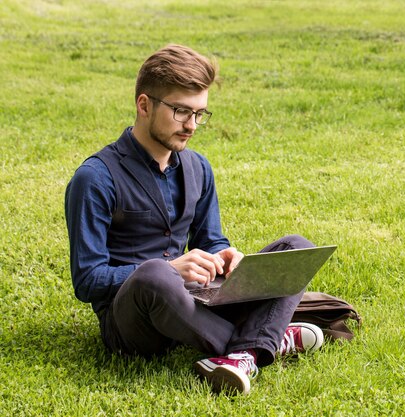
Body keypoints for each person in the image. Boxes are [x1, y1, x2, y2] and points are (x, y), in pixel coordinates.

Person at [64, 44, 324, 395]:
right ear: (144, 105)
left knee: (295, 246)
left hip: (197, 300)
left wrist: (225, 255)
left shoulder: (198, 167)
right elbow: (88, 280)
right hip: (132, 323)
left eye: (200, 114)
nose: (192, 125)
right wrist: (171, 268)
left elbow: (210, 240)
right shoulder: (95, 178)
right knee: (154, 273)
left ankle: (243, 352)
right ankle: (263, 341)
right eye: (181, 112)